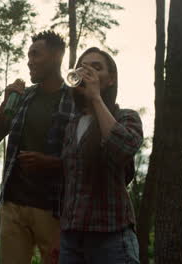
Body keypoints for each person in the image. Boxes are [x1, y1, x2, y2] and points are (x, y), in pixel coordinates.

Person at [0, 30, 75, 264]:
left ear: (56, 57)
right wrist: (5, 103)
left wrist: (52, 164)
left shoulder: (75, 101)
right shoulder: (23, 97)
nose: (29, 61)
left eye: (36, 55)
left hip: (53, 208)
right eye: (28, 55)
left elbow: (82, 159)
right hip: (13, 205)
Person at [59, 47, 143, 264]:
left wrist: (96, 98)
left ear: (111, 79)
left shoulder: (126, 117)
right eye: (83, 68)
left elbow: (123, 149)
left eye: (96, 67)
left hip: (112, 236)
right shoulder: (72, 125)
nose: (88, 73)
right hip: (71, 239)